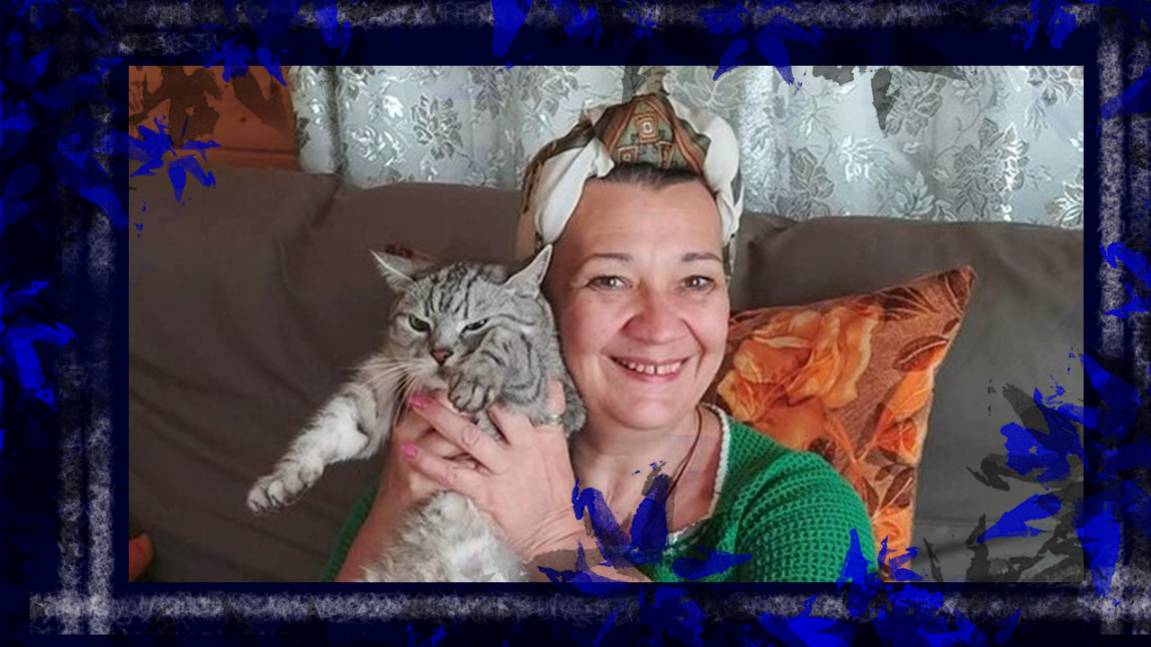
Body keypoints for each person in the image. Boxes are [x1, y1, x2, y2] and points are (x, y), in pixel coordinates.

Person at [324, 85, 875, 582]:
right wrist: (391, 507)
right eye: (610, 280)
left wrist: (550, 535)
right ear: (538, 305)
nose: (659, 326)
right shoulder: (458, 448)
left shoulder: (802, 510)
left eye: (696, 281)